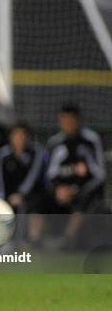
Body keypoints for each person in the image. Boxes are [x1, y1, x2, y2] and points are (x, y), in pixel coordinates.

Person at [44, 105, 106, 247]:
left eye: (71, 120)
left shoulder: (91, 140)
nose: (67, 123)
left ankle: (66, 241)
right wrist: (58, 190)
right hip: (61, 192)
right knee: (40, 200)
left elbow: (100, 175)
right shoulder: (55, 142)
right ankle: (35, 241)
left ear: (78, 120)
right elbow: (49, 174)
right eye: (64, 120)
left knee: (85, 202)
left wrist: (76, 190)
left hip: (85, 191)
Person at [0, 122, 46, 243]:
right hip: (9, 194)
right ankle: (1, 239)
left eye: (23, 135)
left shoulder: (36, 152)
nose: (20, 139)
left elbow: (33, 176)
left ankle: (33, 241)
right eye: (16, 135)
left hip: (32, 193)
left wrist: (21, 194)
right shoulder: (3, 154)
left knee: (35, 204)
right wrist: (1, 199)